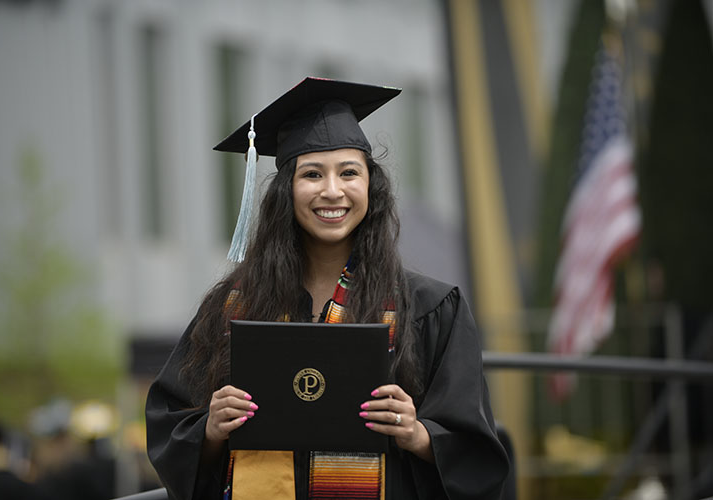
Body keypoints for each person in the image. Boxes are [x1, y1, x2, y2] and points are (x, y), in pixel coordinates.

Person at [145, 77, 510, 500]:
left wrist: (419, 435)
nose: (332, 191)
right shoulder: (232, 305)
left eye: (349, 173)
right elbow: (168, 422)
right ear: (286, 191)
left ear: (370, 187)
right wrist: (209, 429)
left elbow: (480, 458)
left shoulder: (430, 309)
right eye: (313, 174)